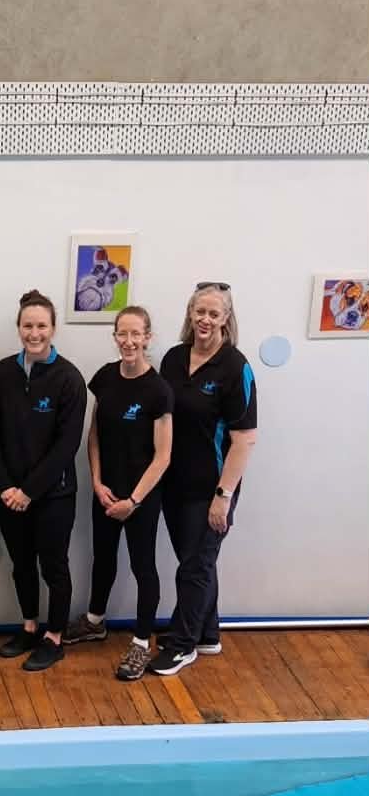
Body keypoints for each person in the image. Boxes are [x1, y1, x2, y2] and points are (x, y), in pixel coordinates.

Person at [149, 283, 258, 677]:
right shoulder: (173, 359)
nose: (205, 320)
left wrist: (223, 496)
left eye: (214, 313)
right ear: (190, 313)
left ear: (226, 318)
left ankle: (182, 646)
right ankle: (208, 634)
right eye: (200, 311)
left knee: (194, 567)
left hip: (212, 488)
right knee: (195, 562)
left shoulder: (235, 367)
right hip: (174, 484)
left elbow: (244, 438)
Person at [63, 306, 173, 680]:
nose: (128, 341)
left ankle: (141, 643)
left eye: (135, 334)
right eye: (122, 334)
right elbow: (94, 436)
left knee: (144, 567)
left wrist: (134, 501)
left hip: (141, 497)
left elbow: (163, 456)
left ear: (147, 338)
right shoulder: (105, 378)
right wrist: (97, 482)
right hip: (106, 491)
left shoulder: (159, 390)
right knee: (103, 558)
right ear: (115, 337)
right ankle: (95, 621)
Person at [0, 290, 86, 671]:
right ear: (18, 328)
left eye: (41, 325)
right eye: (28, 325)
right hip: (9, 494)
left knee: (54, 567)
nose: (34, 333)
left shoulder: (70, 378)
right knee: (22, 564)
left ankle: (54, 637)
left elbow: (67, 445)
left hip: (53, 495)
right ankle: (29, 627)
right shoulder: (2, 373)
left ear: (53, 329)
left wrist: (29, 491)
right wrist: (6, 487)